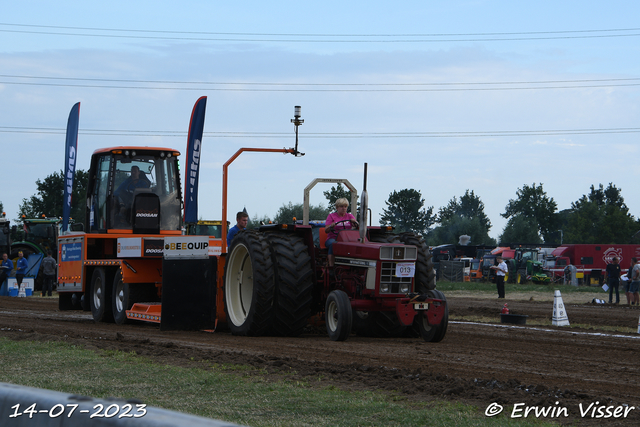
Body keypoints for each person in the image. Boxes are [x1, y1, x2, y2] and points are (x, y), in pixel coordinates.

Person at [324, 198, 358, 268]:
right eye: (341, 206)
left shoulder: (349, 216)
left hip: (347, 239)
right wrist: (331, 226)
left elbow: (357, 225)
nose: (344, 208)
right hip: (333, 238)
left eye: (345, 206)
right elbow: (326, 230)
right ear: (337, 207)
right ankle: (331, 266)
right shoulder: (331, 216)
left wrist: (354, 222)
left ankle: (354, 265)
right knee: (333, 244)